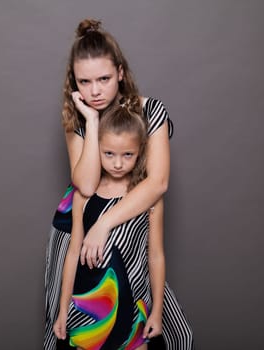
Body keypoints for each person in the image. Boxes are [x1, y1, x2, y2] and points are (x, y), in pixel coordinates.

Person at [44, 18, 194, 349]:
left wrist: (105, 223)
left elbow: (157, 182)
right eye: (84, 81)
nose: (95, 90)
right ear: (74, 82)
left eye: (104, 79)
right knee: (78, 326)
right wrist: (92, 121)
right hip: (81, 222)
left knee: (160, 328)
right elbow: (84, 183)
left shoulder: (150, 111)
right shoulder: (79, 116)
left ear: (121, 73)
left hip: (129, 214)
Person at [53, 102, 165, 349]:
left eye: (128, 155)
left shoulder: (146, 196)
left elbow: (155, 254)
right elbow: (73, 254)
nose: (117, 164)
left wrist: (157, 310)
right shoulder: (85, 194)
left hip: (134, 306)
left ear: (140, 152)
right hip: (87, 308)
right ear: (98, 149)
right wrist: (62, 309)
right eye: (109, 154)